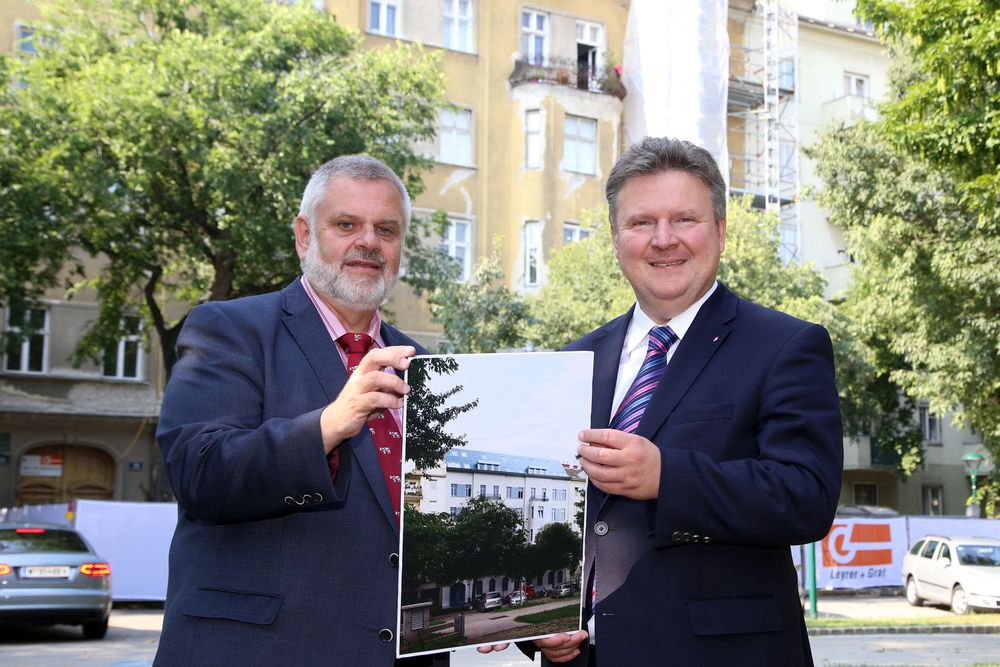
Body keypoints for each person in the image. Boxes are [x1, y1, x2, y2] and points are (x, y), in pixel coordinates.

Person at [511, 137, 843, 665]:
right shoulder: (573, 362)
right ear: (615, 238)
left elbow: (807, 498)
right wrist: (542, 626)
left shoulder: (786, 345)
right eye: (641, 222)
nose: (663, 239)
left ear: (721, 232)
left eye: (685, 219)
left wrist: (666, 477)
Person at [154, 155, 446, 666]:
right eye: (346, 225)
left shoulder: (426, 367)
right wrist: (328, 426)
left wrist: (535, 624)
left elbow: (438, 518)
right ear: (304, 235)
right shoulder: (229, 329)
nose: (369, 242)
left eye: (386, 229)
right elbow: (198, 472)